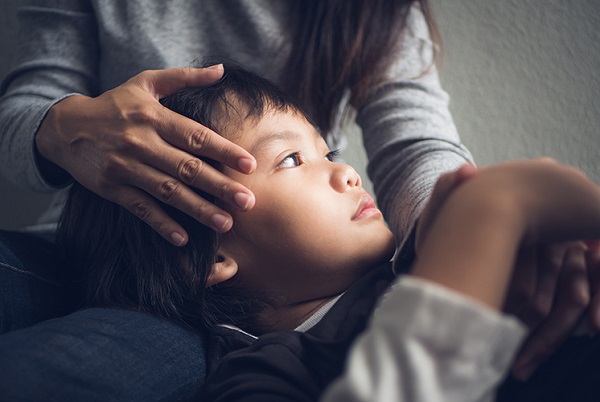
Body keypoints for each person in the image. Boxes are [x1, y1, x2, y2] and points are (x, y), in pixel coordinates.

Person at [0, 0, 594, 397]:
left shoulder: (420, 271)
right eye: (293, 159)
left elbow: (417, 147)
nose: (349, 174)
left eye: (330, 152)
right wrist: (490, 213)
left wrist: (472, 223)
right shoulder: (268, 369)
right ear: (212, 258)